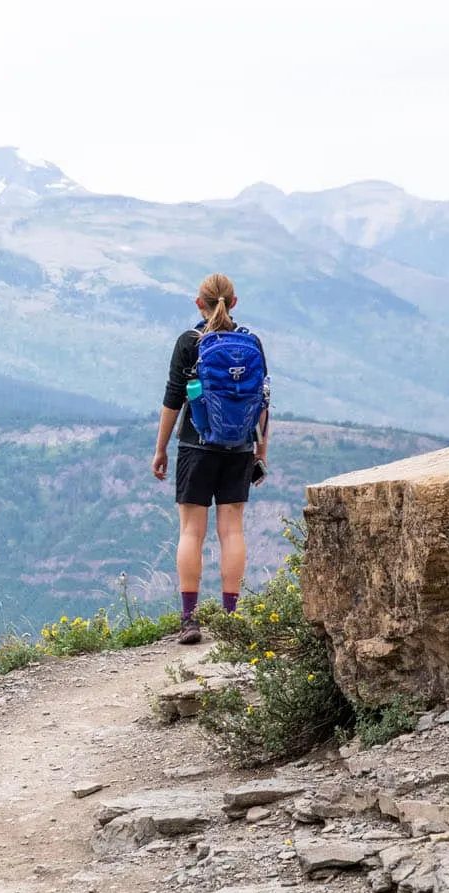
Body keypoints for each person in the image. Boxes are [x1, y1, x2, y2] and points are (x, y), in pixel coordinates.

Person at [151, 273, 270, 645]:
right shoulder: (251, 341)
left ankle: (190, 621)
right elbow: (262, 401)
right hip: (239, 448)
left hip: (196, 445)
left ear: (197, 303)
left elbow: (174, 399)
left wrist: (161, 449)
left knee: (191, 531)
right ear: (233, 303)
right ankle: (231, 620)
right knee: (232, 529)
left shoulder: (190, 341)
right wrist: (260, 452)